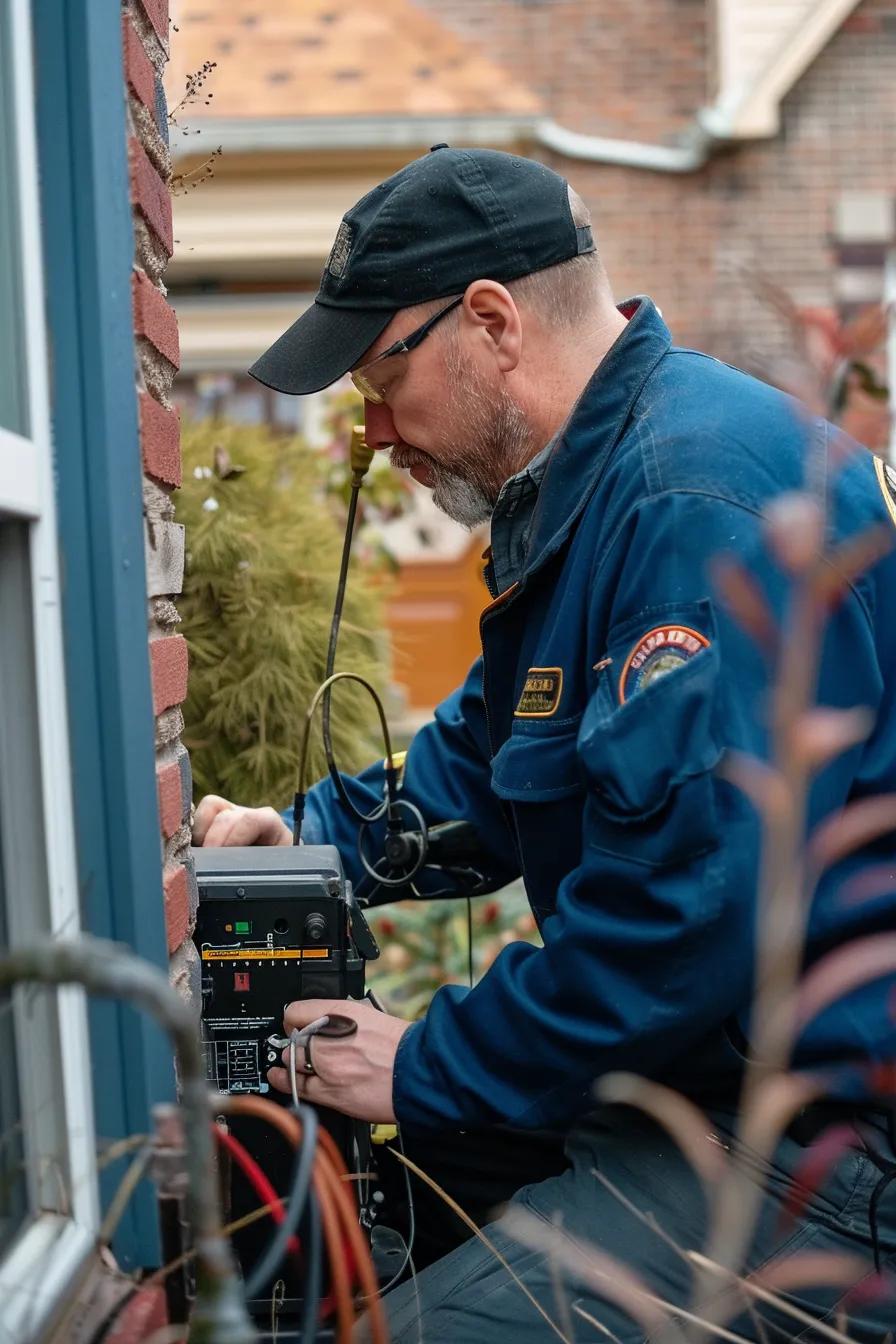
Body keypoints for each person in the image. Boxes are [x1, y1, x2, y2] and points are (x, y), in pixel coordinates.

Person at [193, 147, 896, 1341]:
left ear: (488, 322)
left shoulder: (689, 504)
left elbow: (677, 919)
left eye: (378, 376)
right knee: (345, 1243)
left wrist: (419, 1064)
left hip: (814, 1160)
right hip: (690, 1079)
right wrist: (305, 841)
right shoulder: (599, 484)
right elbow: (489, 754)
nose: (372, 432)